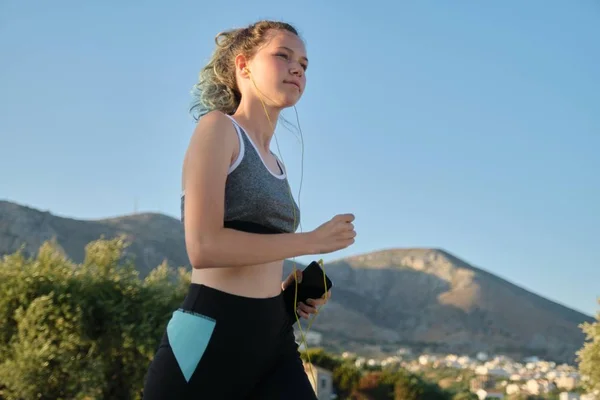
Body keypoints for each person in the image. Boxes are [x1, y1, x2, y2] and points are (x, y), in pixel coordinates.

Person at [142, 20, 356, 399]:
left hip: (273, 335)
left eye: (304, 65)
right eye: (283, 56)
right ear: (243, 66)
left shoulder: (278, 163)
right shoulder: (218, 129)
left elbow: (257, 250)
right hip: (211, 336)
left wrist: (285, 291)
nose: (297, 69)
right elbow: (204, 247)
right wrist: (310, 241)